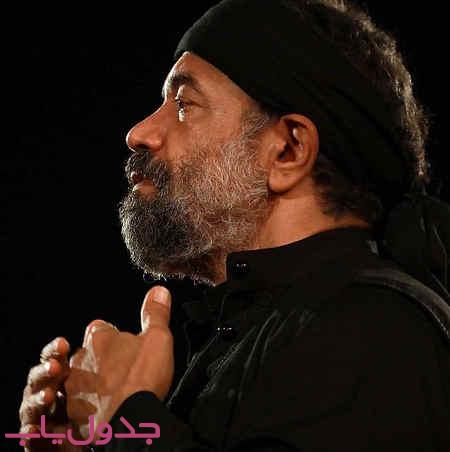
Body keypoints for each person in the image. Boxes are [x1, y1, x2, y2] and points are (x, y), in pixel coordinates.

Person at [18, 0, 450, 451]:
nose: (139, 133)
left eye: (183, 104)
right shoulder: (261, 331)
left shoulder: (376, 331)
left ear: (288, 150)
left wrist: (125, 416)